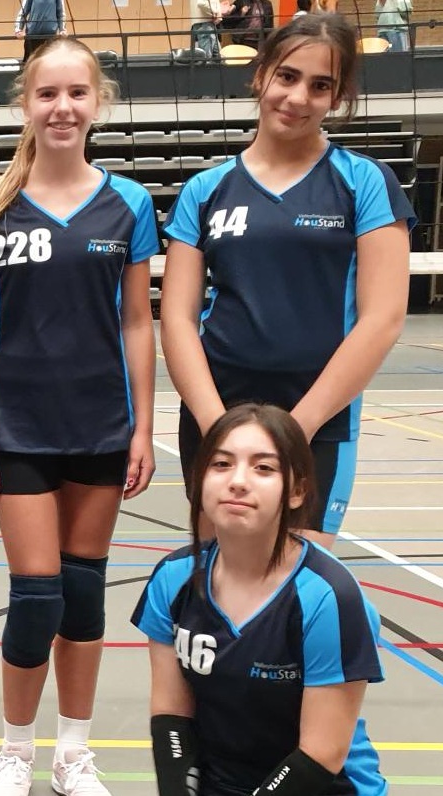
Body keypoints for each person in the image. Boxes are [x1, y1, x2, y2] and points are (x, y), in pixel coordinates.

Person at [0, 37, 158, 796]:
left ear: (96, 102)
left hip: (101, 426)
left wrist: (142, 427)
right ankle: (14, 752)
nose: (62, 107)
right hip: (19, 427)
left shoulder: (127, 204)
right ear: (25, 105)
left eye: (76, 93)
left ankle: (74, 755)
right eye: (47, 94)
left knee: (81, 596)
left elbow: (136, 321)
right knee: (35, 594)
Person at [84, 404, 387, 796]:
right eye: (222, 464)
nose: (238, 481)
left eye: (263, 468)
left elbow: (322, 755)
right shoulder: (175, 579)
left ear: (296, 491)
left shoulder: (327, 597)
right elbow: (172, 716)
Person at [161, 13, 414, 552]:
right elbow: (177, 320)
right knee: (216, 575)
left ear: (338, 97)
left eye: (320, 85)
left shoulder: (365, 182)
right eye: (288, 76)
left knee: (297, 580)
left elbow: (383, 319)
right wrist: (217, 428)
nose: (298, 97)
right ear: (261, 75)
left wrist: (298, 429)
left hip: (317, 418)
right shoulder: (206, 190)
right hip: (217, 411)